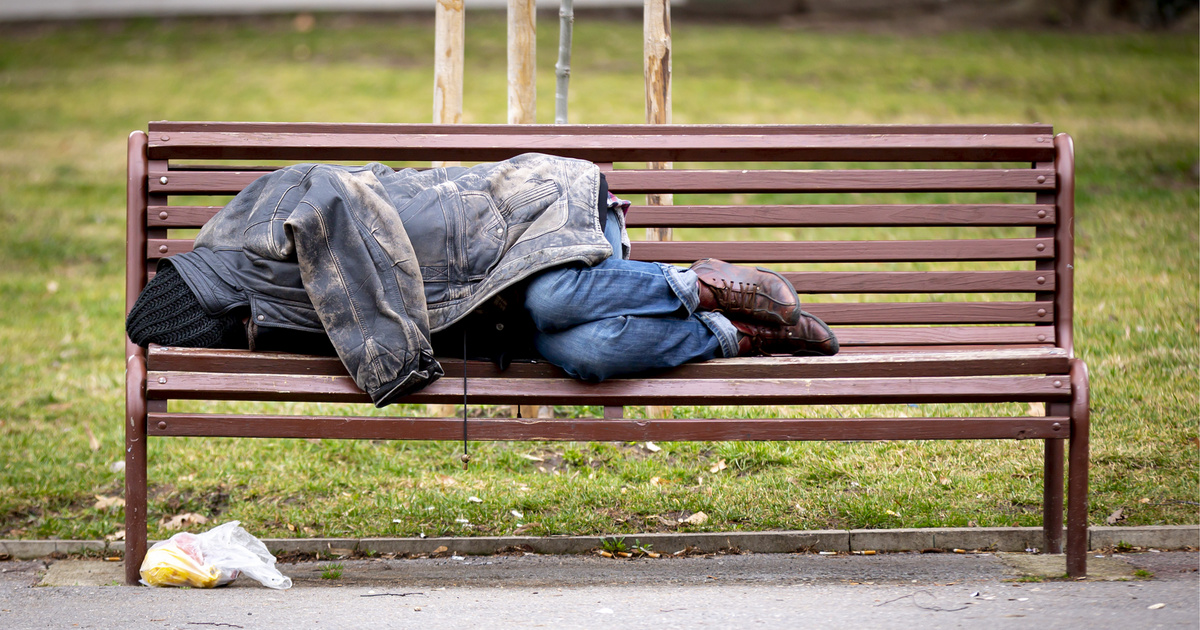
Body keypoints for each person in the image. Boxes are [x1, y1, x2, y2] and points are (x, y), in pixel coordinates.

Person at [126, 155, 837, 406]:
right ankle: (729, 334)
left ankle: (702, 284)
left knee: (554, 296)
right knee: (582, 355)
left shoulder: (262, 215)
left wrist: (389, 360)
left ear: (210, 291)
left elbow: (335, 212)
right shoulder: (264, 312)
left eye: (228, 326)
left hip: (527, 213)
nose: (238, 335)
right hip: (487, 308)